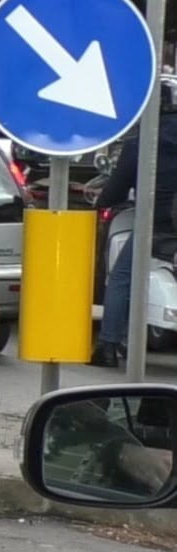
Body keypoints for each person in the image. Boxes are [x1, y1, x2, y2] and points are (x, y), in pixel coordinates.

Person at [92, 79, 177, 367]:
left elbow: (116, 189)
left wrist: (102, 201)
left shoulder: (141, 142)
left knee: (122, 277)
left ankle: (108, 346)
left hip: (155, 224)